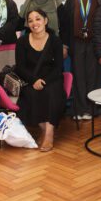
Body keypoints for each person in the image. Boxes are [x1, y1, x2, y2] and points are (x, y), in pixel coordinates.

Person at [15, 9, 65, 152]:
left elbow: (59, 67)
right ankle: (43, 130)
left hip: (51, 78)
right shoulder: (22, 41)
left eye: (38, 19)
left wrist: (44, 81)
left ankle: (49, 134)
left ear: (45, 20)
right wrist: (34, 80)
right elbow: (20, 67)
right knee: (32, 94)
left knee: (52, 93)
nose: (34, 23)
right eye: (30, 20)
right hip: (30, 78)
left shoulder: (55, 40)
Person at [60, 0, 101, 120]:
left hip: (93, 43)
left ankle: (91, 109)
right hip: (76, 42)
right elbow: (65, 25)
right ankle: (79, 109)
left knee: (92, 76)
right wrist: (65, 45)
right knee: (78, 76)